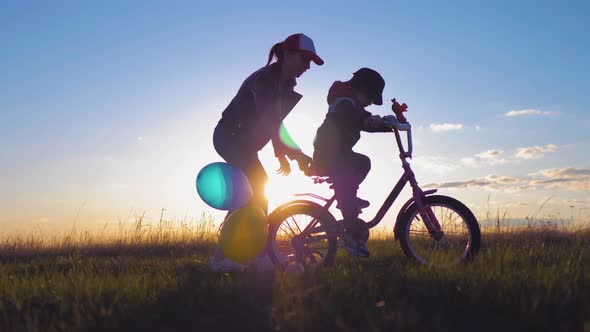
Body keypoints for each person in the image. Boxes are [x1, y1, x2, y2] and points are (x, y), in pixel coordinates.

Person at [210, 33, 324, 271]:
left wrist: (281, 154)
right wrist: (298, 154)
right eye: (305, 60)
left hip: (244, 143)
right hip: (229, 138)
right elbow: (272, 121)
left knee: (248, 193)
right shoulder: (265, 79)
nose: (307, 66)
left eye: (310, 62)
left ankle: (235, 256)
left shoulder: (283, 83)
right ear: (287, 54)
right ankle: (246, 256)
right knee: (255, 189)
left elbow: (273, 122)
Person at [311, 68, 407, 257]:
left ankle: (347, 196)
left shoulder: (355, 107)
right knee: (347, 172)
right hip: (327, 153)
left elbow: (365, 122)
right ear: (360, 89)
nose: (370, 102)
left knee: (363, 162)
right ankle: (350, 234)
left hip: (341, 153)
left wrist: (396, 122)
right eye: (370, 97)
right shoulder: (342, 101)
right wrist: (369, 119)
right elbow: (352, 116)